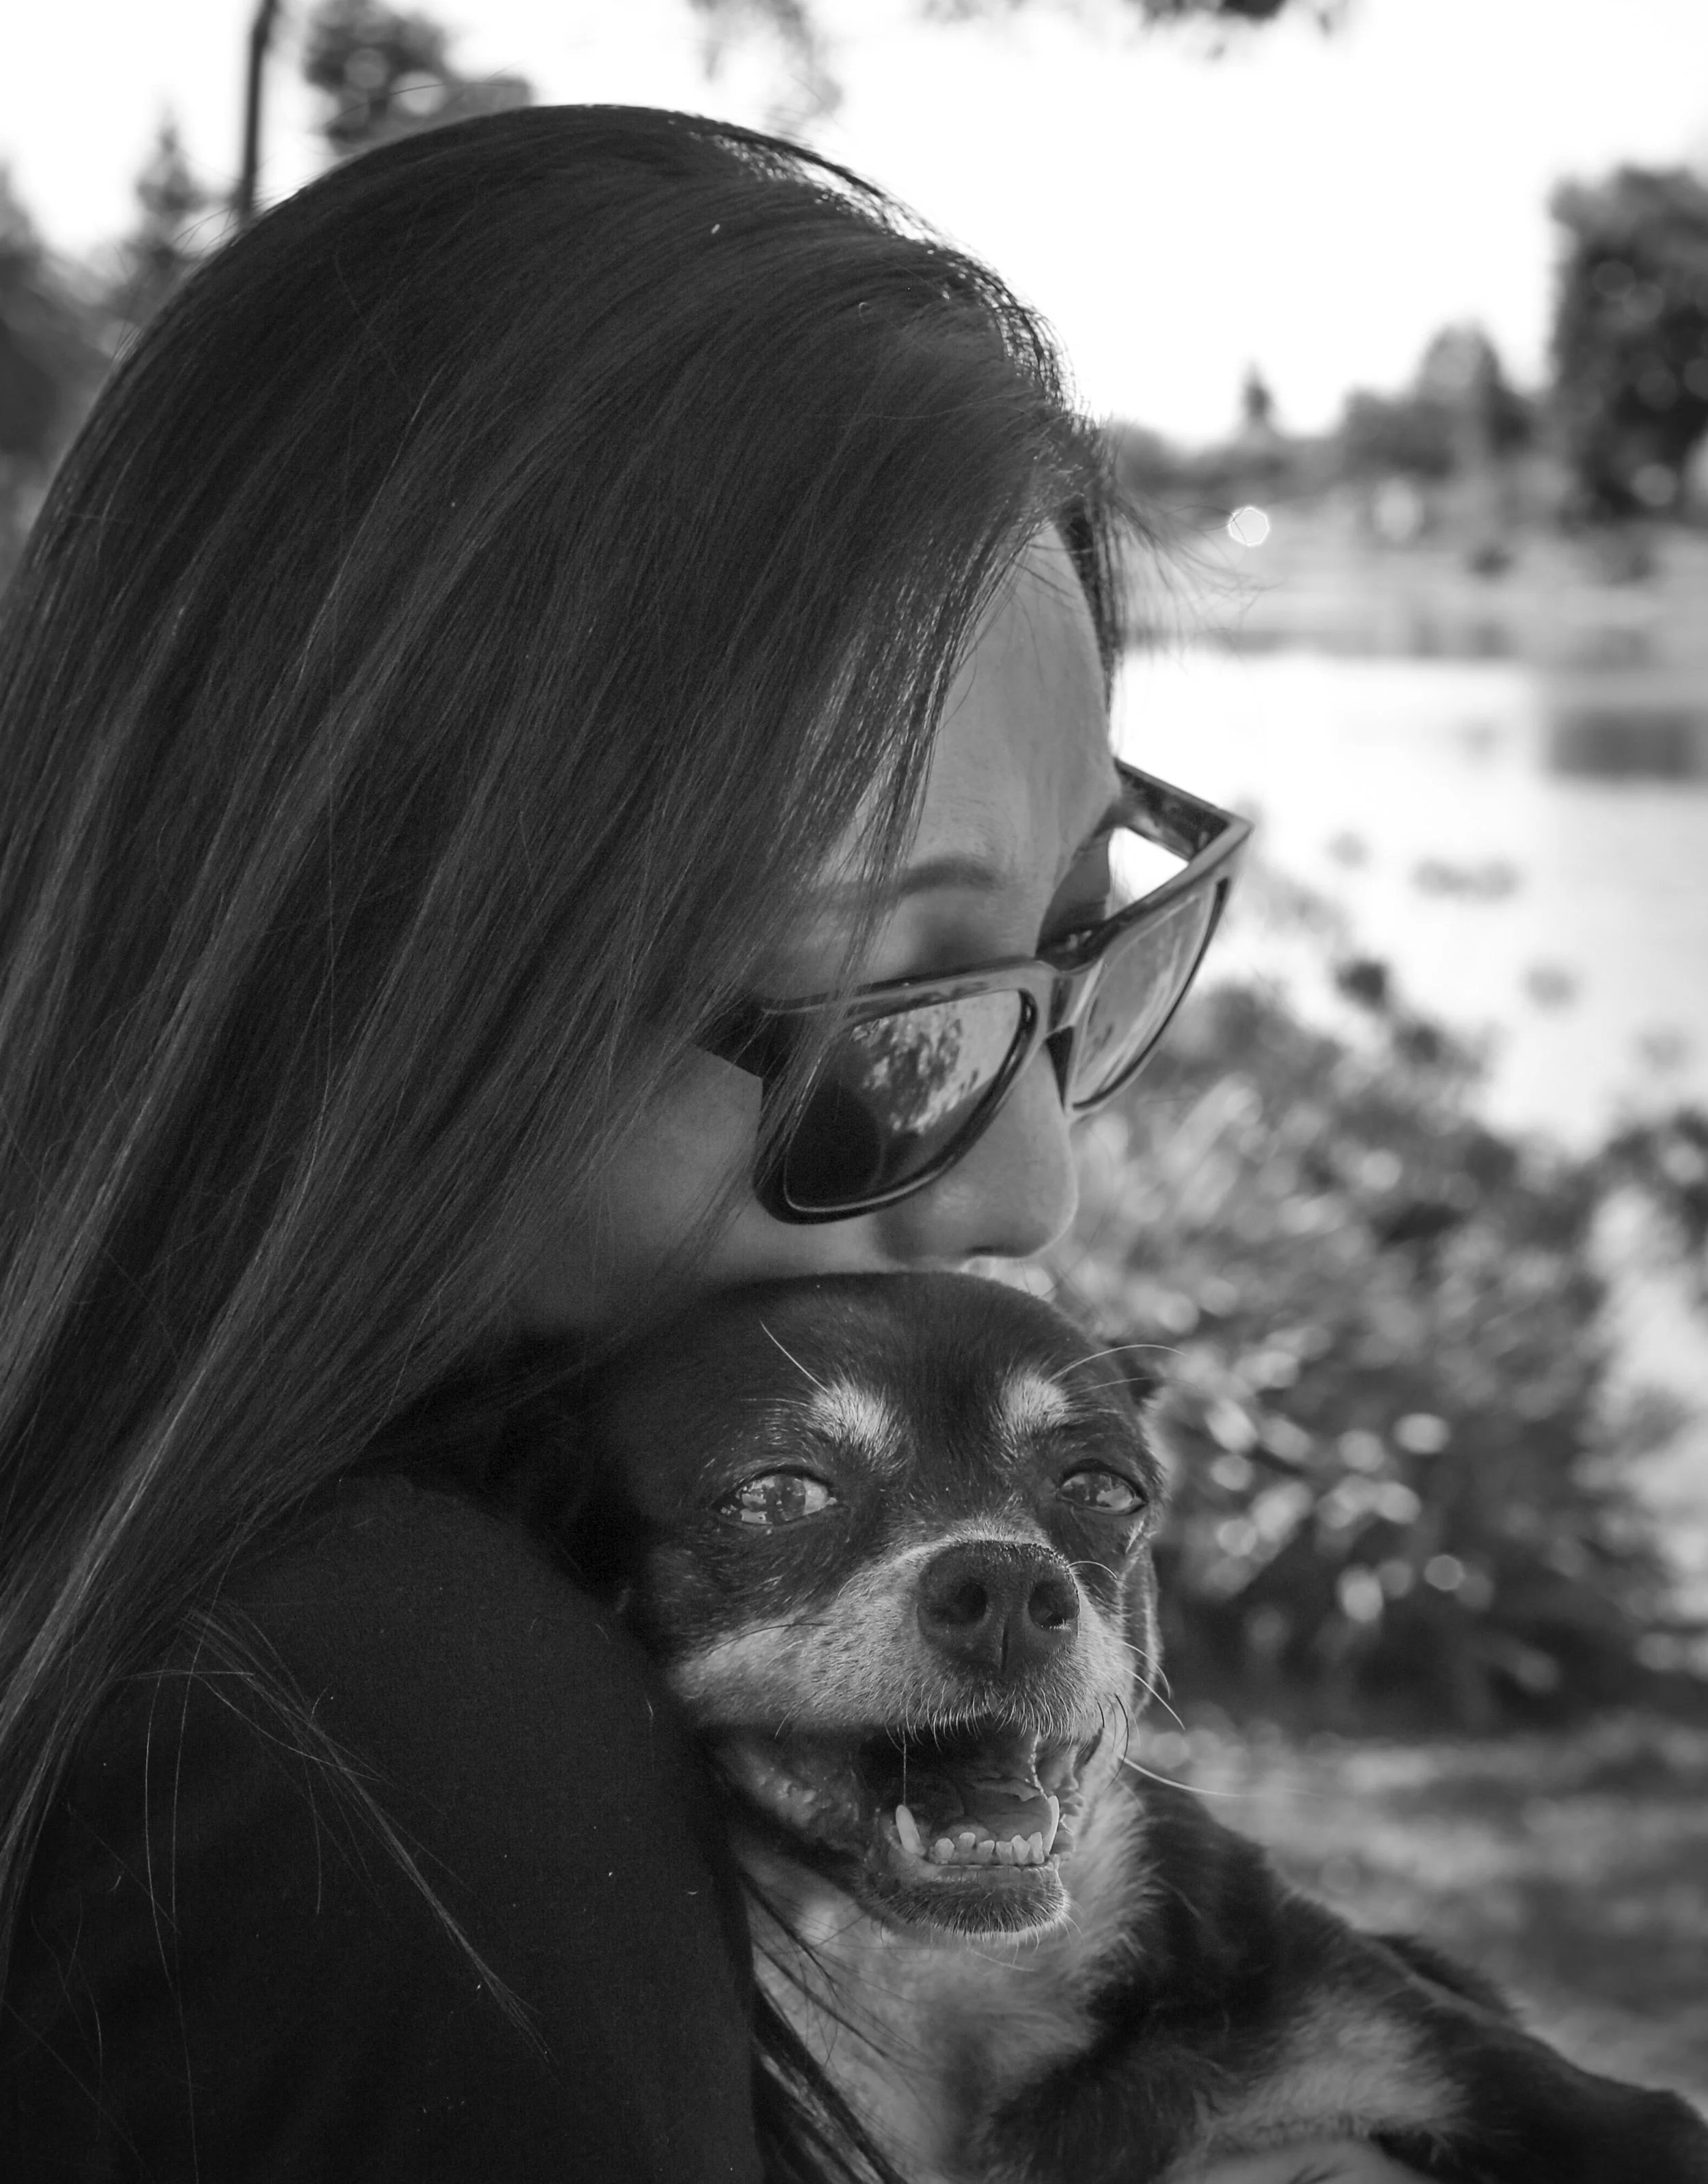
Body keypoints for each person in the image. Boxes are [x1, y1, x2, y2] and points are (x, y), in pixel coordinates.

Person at [0, 105, 1420, 2182]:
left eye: (1060, 959)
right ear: (371, 994)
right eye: (889, 1010)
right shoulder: (394, 1760)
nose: (1039, 1182)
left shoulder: (475, 1620)